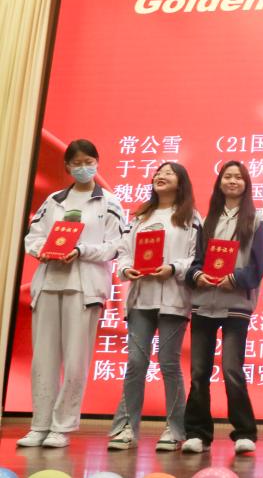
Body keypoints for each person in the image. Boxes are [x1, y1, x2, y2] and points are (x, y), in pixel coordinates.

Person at [19, 140, 125, 449]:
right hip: (49, 283)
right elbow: (33, 237)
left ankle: (61, 427)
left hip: (85, 287)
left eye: (88, 161)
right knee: (44, 358)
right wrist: (43, 251)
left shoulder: (109, 202)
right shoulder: (54, 200)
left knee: (76, 361)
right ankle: (40, 424)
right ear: (67, 167)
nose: (83, 167)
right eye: (76, 163)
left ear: (97, 162)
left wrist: (81, 250)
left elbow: (115, 245)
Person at [108, 162, 201, 452]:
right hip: (140, 298)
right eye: (158, 173)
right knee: (136, 363)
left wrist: (173, 268)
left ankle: (174, 428)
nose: (160, 176)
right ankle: (125, 427)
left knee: (169, 363)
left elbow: (196, 257)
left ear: (181, 182)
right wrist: (127, 270)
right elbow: (124, 251)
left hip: (173, 299)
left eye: (168, 173)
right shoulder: (140, 216)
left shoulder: (191, 217)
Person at [181, 161, 263, 454]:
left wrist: (236, 278)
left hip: (235, 305)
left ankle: (244, 432)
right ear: (219, 183)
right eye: (228, 176)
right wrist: (197, 275)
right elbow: (195, 261)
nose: (233, 181)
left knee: (232, 369)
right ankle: (198, 433)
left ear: (246, 184)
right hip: (204, 303)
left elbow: (258, 267)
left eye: (238, 177)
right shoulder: (208, 221)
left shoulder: (256, 221)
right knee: (198, 371)